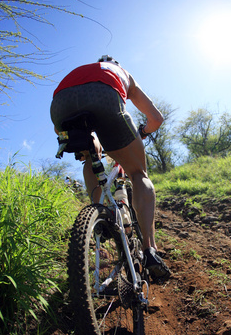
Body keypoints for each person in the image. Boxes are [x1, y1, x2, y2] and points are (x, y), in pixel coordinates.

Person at [50, 55, 170, 281]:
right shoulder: (122, 74)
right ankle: (150, 249)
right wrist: (142, 133)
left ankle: (97, 214)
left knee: (90, 156)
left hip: (59, 106)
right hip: (103, 96)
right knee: (138, 173)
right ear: (118, 65)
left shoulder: (84, 69)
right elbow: (157, 118)